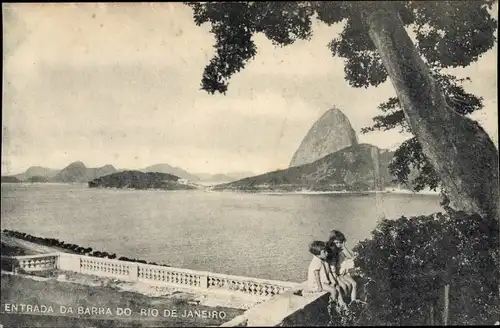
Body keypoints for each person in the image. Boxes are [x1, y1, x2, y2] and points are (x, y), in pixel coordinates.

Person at [306, 240, 347, 308]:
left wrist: (333, 281)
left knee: (337, 287)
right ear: (317, 254)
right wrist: (319, 287)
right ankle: (332, 306)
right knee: (333, 290)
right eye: (324, 252)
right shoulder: (316, 262)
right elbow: (316, 276)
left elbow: (328, 272)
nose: (327, 253)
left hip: (323, 282)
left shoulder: (323, 260)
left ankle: (342, 303)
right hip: (315, 284)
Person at [327, 230, 358, 303]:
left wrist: (344, 247)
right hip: (337, 274)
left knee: (354, 284)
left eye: (340, 242)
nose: (338, 244)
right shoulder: (332, 252)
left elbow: (351, 257)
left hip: (343, 273)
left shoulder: (342, 250)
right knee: (345, 286)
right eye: (336, 243)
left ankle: (353, 301)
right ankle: (347, 300)